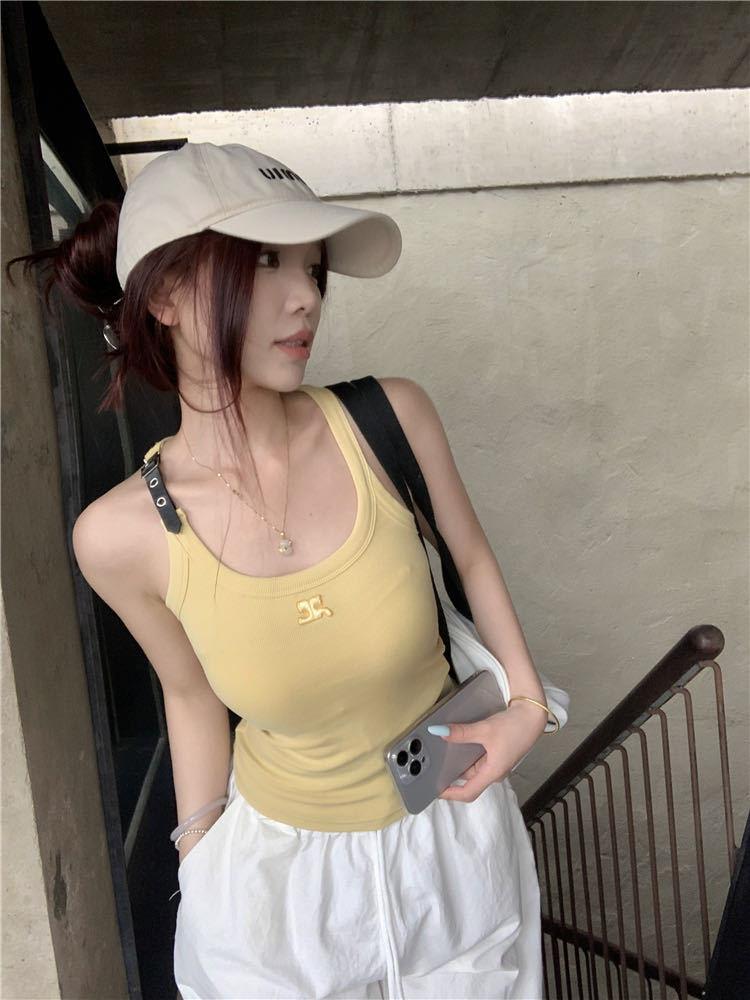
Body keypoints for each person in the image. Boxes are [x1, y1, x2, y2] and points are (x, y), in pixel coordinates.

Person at [8, 141, 551, 999]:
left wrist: (526, 708)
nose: (306, 298)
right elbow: (190, 695)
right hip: (283, 896)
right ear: (166, 296)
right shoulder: (118, 536)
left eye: (313, 267)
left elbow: (473, 558)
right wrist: (202, 862)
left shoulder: (390, 420)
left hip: (452, 848)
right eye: (265, 262)